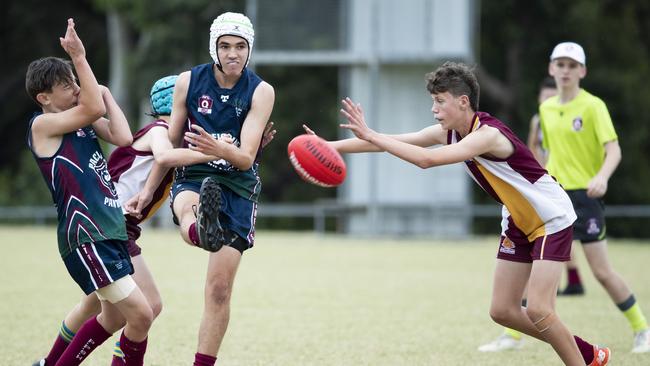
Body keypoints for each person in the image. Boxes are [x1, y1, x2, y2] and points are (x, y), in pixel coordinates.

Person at [315, 61, 610, 365]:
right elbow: (391, 144)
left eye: (440, 101)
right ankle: (588, 353)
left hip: (550, 218)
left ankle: (584, 361)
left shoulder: (489, 135)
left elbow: (426, 160)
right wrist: (327, 146)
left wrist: (372, 135)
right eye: (433, 101)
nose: (434, 109)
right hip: (518, 221)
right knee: (503, 311)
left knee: (539, 309)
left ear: (463, 101)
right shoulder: (451, 132)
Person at [26, 19, 152, 365]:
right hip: (87, 236)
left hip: (107, 231)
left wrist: (107, 94)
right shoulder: (43, 125)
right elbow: (92, 108)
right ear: (44, 98)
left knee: (112, 318)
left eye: (74, 81)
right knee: (141, 315)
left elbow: (124, 137)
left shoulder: (82, 121)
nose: (75, 88)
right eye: (66, 85)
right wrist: (80, 58)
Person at [167, 12, 275, 366]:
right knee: (187, 206)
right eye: (225, 46)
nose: (233, 54)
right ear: (214, 48)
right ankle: (201, 229)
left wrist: (218, 148)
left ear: (249, 50)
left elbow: (244, 158)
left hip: (238, 184)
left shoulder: (261, 91)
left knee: (218, 289)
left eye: (240, 47)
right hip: (195, 172)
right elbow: (170, 143)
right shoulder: (188, 81)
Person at [540, 41, 650, 353]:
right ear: (551, 69)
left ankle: (642, 328)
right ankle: (512, 333)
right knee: (535, 265)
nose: (565, 70)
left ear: (582, 71)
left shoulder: (593, 106)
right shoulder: (546, 109)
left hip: (586, 198)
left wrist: (601, 176)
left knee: (601, 271)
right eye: (560, 64)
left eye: (572, 65)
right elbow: (550, 154)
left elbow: (613, 149)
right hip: (554, 197)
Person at [529, 77, 586, 297]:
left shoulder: (566, 117)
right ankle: (572, 281)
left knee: (562, 232)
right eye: (545, 96)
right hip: (544, 180)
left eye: (552, 97)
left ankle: (572, 281)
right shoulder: (538, 119)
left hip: (564, 181)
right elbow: (532, 145)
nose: (548, 100)